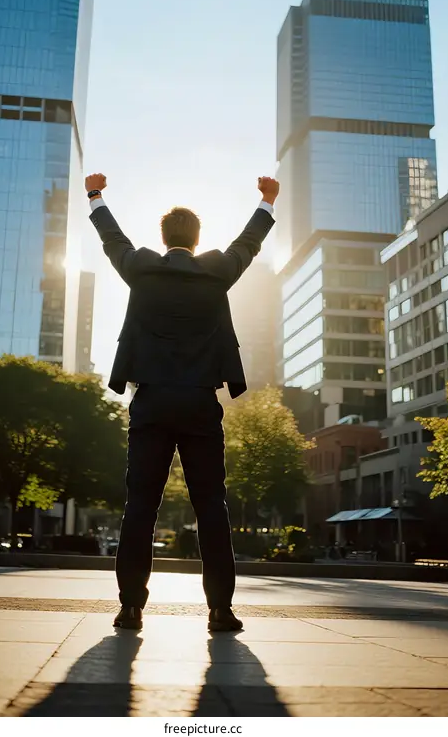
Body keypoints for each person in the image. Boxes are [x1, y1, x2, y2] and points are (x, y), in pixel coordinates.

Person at [85, 171, 278, 632]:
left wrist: (96, 194)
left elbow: (112, 238)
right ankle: (220, 610)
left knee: (141, 506)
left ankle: (130, 607)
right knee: (212, 505)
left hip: (150, 402)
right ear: (196, 239)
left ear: (164, 238)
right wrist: (267, 200)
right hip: (198, 404)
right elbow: (247, 243)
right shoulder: (218, 274)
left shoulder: (140, 270)